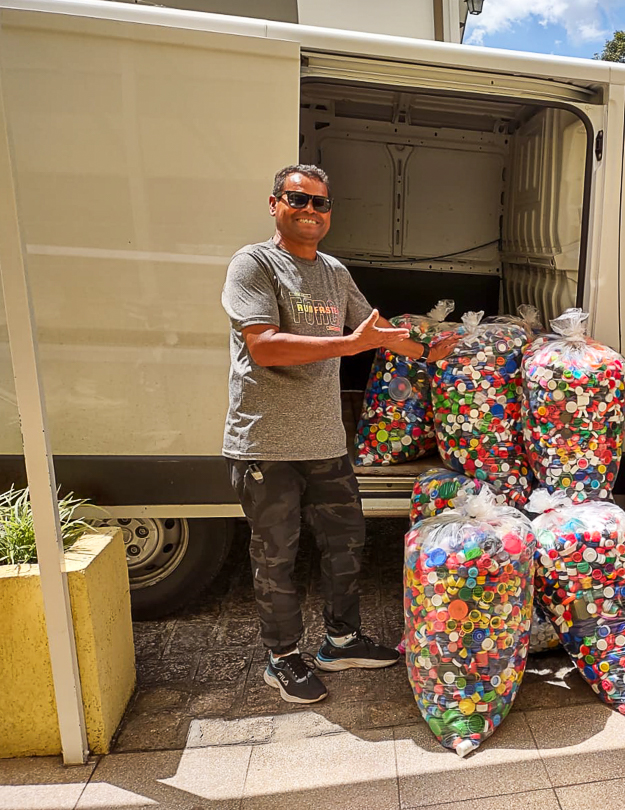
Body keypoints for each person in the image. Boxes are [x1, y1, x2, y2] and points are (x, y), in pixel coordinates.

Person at [222, 164, 458, 704]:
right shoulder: (253, 264)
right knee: (276, 556)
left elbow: (374, 332)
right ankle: (282, 658)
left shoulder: (333, 271)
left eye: (320, 203)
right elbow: (265, 346)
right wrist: (350, 346)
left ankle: (342, 641)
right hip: (266, 444)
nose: (310, 210)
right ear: (275, 204)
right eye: (298, 199)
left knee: (346, 542)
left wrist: (426, 351)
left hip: (325, 442)